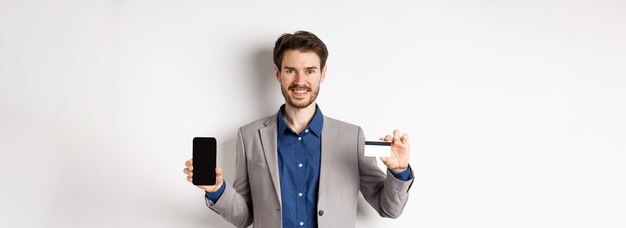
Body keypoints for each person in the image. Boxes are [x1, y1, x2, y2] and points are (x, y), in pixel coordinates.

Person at [184, 31, 414, 228]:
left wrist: (399, 171)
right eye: (291, 70)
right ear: (278, 74)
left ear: (323, 74)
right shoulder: (249, 136)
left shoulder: (351, 137)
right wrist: (216, 189)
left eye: (310, 70)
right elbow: (244, 218)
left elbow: (389, 209)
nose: (300, 80)